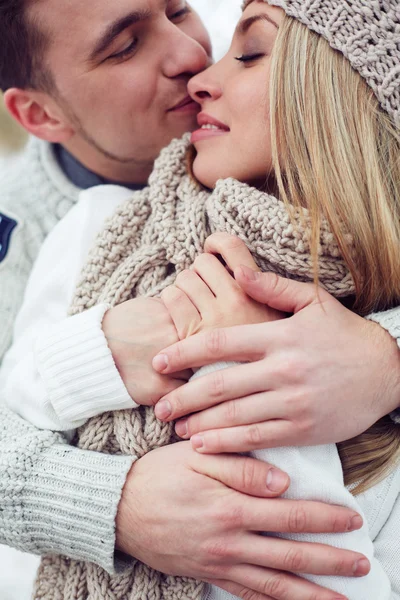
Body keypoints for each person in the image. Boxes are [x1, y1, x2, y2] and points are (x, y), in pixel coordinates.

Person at [2, 0, 399, 598]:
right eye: (125, 46)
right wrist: (117, 503)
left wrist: (383, 358)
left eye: (179, 9)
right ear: (39, 113)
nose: (194, 60)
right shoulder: (70, 233)